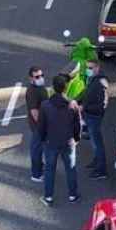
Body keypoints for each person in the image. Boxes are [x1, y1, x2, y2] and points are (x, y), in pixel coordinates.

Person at [38, 74, 81, 206]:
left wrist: (43, 139)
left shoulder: (45, 105)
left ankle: (48, 197)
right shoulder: (72, 105)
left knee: (50, 169)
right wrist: (76, 138)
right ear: (65, 87)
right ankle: (73, 195)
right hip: (68, 142)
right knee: (71, 168)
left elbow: (41, 125)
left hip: (51, 142)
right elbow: (77, 124)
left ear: (53, 88)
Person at [80, 58, 108, 180]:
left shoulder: (101, 83)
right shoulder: (93, 79)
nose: (88, 70)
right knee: (94, 142)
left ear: (97, 68)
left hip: (94, 116)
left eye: (90, 68)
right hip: (90, 115)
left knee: (97, 144)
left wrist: (84, 107)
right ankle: (97, 161)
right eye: (87, 67)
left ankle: (101, 170)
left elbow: (102, 105)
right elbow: (86, 94)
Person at [25, 66, 49, 182]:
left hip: (41, 125)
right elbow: (34, 112)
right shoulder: (32, 92)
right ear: (31, 78)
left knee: (38, 148)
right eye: (37, 76)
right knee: (36, 149)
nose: (41, 78)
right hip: (38, 126)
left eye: (42, 75)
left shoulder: (40, 88)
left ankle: (39, 168)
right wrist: (43, 125)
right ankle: (36, 174)